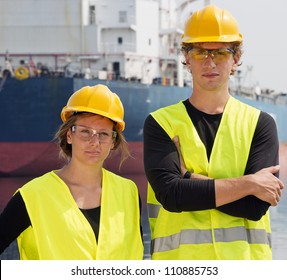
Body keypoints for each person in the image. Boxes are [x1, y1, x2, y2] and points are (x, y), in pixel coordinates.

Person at [144, 5, 284, 260]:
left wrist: (188, 177)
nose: (210, 62)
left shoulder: (260, 124)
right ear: (186, 57)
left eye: (220, 52)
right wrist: (249, 183)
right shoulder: (160, 123)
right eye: (199, 52)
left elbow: (254, 207)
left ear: (236, 58)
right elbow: (172, 195)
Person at [0, 84, 144, 260]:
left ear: (113, 142)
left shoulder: (128, 193)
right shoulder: (31, 197)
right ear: (69, 135)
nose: (94, 142)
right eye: (85, 132)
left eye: (103, 134)